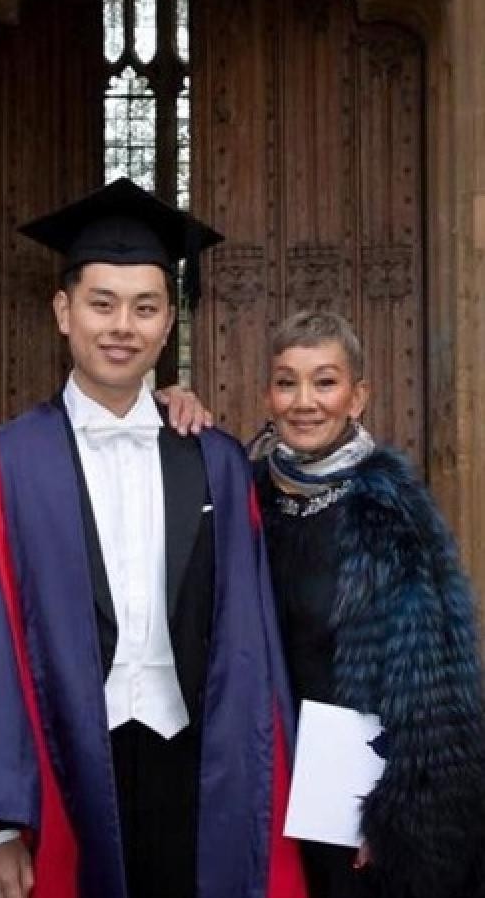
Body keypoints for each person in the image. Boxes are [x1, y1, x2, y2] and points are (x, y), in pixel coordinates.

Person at [0, 177, 307, 898]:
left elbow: (252, 641)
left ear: (169, 324)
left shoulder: (218, 461)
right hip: (56, 769)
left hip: (194, 768)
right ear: (63, 311)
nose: (122, 326)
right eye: (102, 304)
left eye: (145, 307)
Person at [249, 310, 485, 898]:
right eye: (287, 382)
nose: (305, 401)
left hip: (351, 800)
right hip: (262, 781)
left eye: (325, 382)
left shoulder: (388, 510)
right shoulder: (245, 494)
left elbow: (433, 686)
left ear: (358, 397)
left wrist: (396, 814)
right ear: (268, 396)